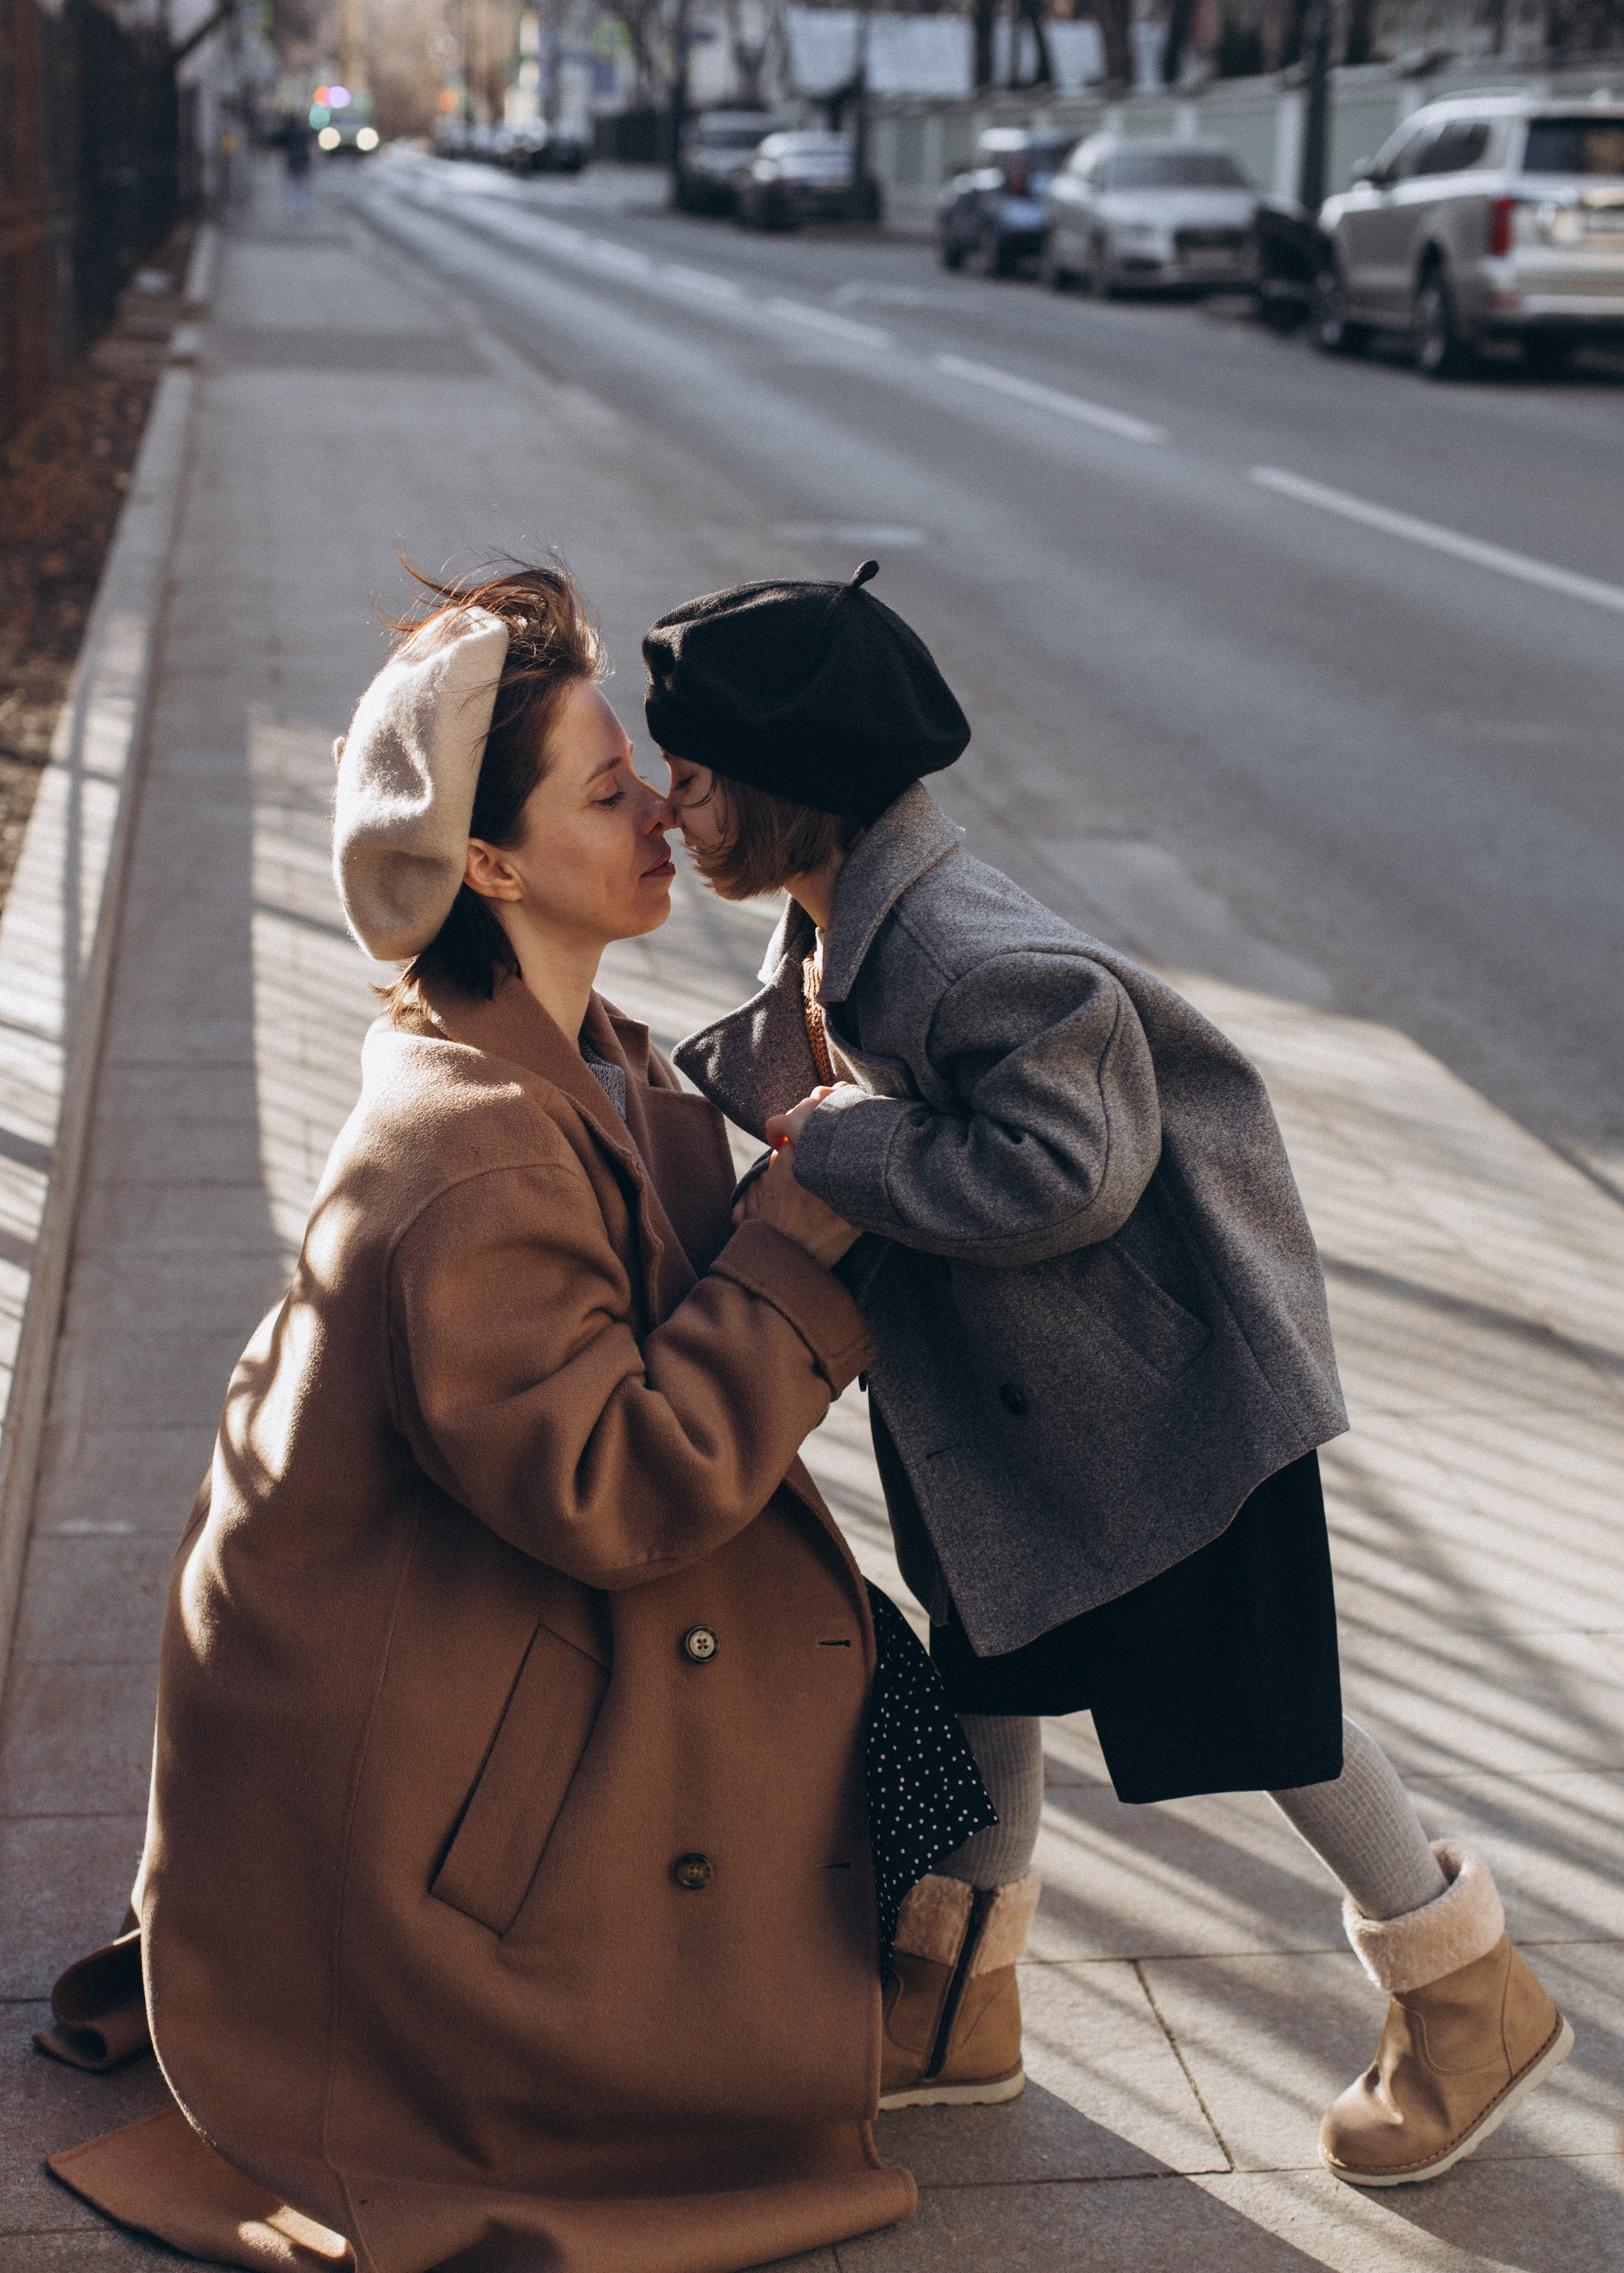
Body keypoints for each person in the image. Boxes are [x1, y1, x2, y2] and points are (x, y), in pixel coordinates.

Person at [36, 564, 981, 2271]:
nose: (663, 817)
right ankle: (905, 2002)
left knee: (924, 1676)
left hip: (485, 1629)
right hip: (437, 1732)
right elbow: (614, 1487)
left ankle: (924, 1989)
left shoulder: (584, 1046)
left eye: (647, 776)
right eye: (608, 794)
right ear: (489, 861)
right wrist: (795, 1241)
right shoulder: (467, 1142)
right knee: (887, 1715)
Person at [642, 558, 1575, 2184]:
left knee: (1268, 1717)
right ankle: (955, 2004)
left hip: (1163, 1420)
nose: (672, 806)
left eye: (695, 774)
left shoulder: (965, 948)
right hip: (1023, 1420)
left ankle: (1465, 1994)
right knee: (986, 1662)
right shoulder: (849, 920)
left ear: (786, 789)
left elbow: (1066, 1172)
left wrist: (843, 1140)